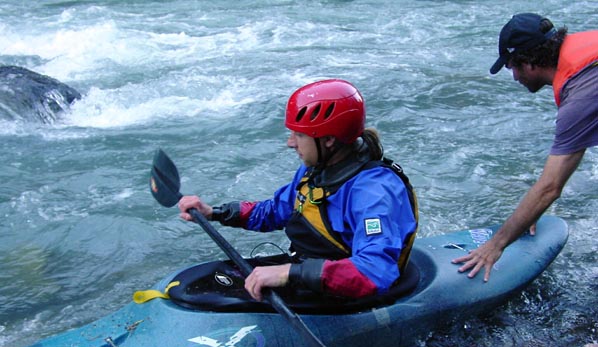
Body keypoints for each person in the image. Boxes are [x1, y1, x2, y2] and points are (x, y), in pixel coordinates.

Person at [179, 79, 418, 300]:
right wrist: (215, 213)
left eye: (299, 134)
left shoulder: (374, 193)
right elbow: (276, 210)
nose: (290, 142)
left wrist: (289, 274)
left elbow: (374, 273)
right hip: (312, 269)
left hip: (350, 289)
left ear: (329, 140)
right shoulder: (318, 170)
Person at [453, 13, 598, 281]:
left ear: (529, 62)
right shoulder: (587, 47)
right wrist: (532, 210)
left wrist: (494, 246)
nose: (515, 77)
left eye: (511, 67)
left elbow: (550, 187)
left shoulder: (579, 94)